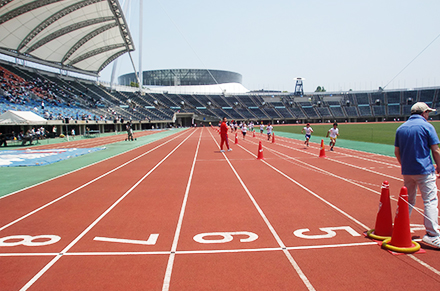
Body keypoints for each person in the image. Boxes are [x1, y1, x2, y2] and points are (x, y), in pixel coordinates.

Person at [394, 102, 440, 249]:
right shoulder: (427, 127)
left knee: (408, 201)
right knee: (430, 201)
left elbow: (397, 151)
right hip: (424, 170)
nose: (428, 116)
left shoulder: (401, 128)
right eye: (428, 113)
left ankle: (400, 227)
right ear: (424, 113)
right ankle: (432, 235)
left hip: (407, 171)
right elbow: (435, 150)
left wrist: (404, 165)